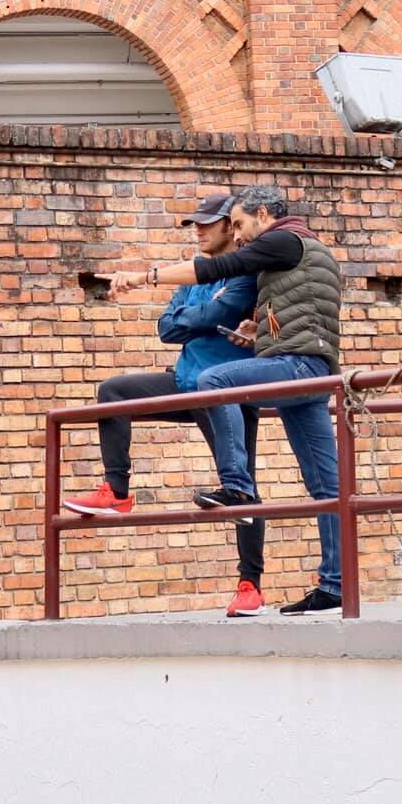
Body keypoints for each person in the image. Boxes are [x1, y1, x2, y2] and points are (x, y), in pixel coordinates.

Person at [108, 185, 343, 615]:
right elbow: (304, 310)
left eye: (239, 224)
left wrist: (143, 278)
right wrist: (259, 331)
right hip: (312, 370)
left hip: (299, 368)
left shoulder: (284, 238)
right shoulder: (302, 250)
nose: (237, 235)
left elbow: (217, 268)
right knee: (328, 486)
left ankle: (236, 488)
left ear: (264, 214)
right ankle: (336, 586)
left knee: (215, 379)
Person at [69, 195, 268, 614]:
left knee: (242, 487)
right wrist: (207, 314)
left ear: (229, 227)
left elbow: (218, 313)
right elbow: (167, 327)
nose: (198, 231)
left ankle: (250, 586)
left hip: (226, 393)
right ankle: (117, 491)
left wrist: (202, 316)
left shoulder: (245, 273)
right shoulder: (190, 277)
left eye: (207, 223)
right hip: (184, 381)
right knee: (113, 392)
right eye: (195, 224)